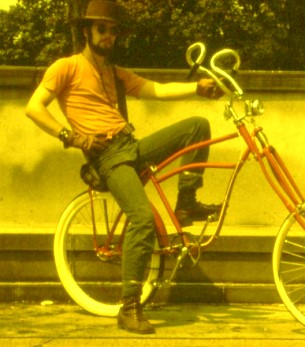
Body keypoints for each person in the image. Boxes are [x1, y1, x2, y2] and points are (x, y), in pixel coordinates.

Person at [25, 0, 223, 335]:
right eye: (102, 28)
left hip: (130, 145)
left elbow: (156, 89)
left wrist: (197, 88)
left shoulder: (114, 73)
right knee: (142, 218)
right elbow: (34, 107)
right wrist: (72, 137)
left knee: (197, 126)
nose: (108, 36)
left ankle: (186, 202)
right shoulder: (66, 67)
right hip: (107, 156)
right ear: (87, 31)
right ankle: (129, 307)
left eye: (114, 30)